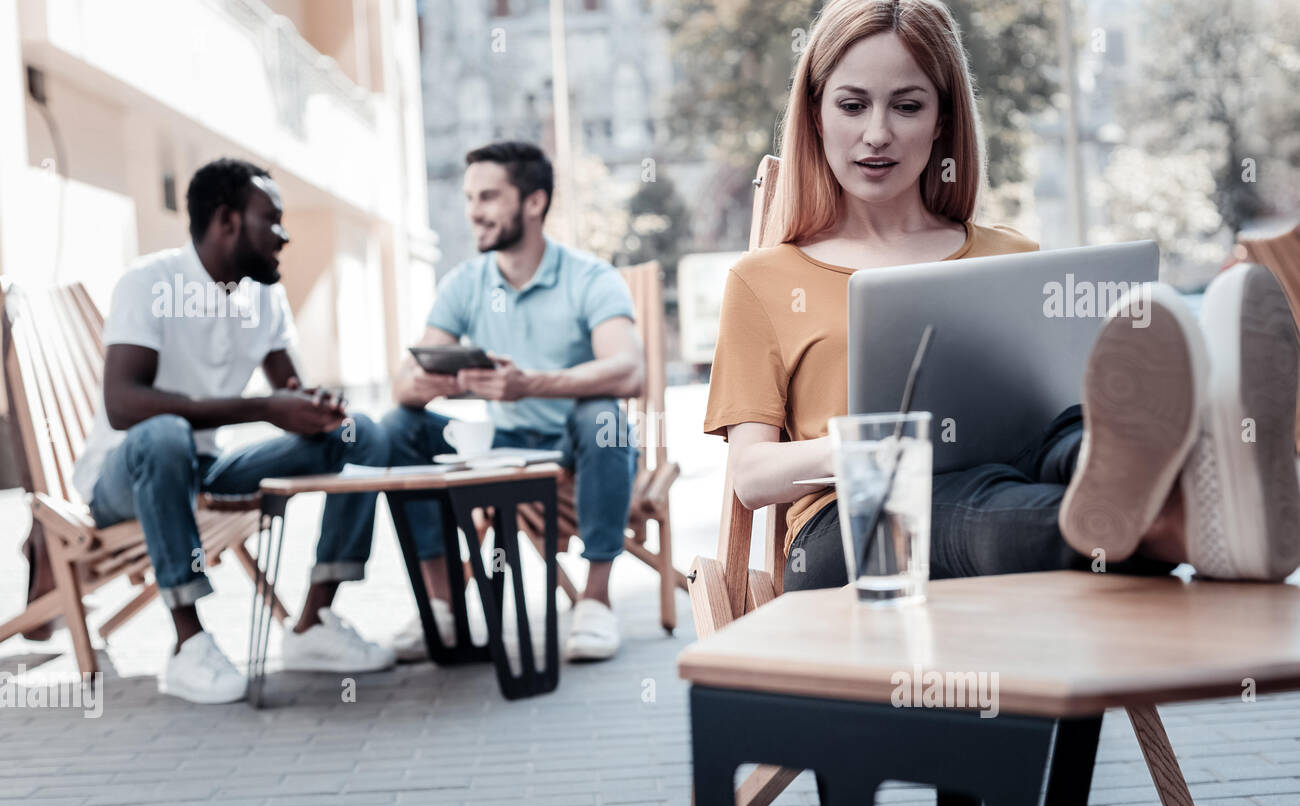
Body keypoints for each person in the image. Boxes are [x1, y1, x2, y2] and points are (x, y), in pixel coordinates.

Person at [704, 0, 1300, 590]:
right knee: (965, 501)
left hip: (1023, 485)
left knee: (1066, 434)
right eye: (853, 105)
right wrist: (869, 450)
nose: (877, 134)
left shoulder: (1011, 259)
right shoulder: (764, 280)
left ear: (941, 120)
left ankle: (1184, 474)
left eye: (907, 107)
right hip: (857, 529)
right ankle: (1195, 511)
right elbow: (752, 476)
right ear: (815, 113)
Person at [73, 158, 397, 705]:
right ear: (227, 222)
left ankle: (314, 624)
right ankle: (188, 643)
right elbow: (125, 404)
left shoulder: (262, 295)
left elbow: (289, 390)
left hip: (207, 469)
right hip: (127, 475)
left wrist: (319, 411)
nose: (285, 234)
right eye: (271, 219)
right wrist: (264, 408)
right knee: (164, 433)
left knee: (360, 433)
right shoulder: (149, 283)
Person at [384, 141, 644, 662]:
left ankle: (594, 602)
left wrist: (532, 383)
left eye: (488, 196)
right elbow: (403, 382)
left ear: (533, 202)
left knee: (604, 418)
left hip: (572, 449)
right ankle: (441, 605)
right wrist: (439, 382)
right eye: (469, 197)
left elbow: (628, 370)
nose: (473, 211)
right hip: (500, 446)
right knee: (398, 425)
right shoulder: (465, 283)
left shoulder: (589, 277)